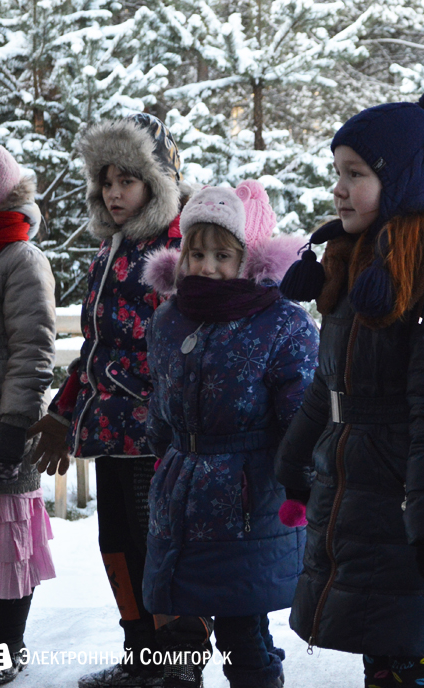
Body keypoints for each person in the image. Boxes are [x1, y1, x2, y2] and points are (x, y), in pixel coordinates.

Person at [274, 87, 424, 688]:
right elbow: (329, 383)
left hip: (403, 500)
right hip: (356, 489)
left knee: (411, 647)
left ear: (403, 182)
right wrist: (294, 463)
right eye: (337, 172)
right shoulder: (353, 260)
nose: (338, 188)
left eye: (356, 174)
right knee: (381, 644)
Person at [29, 113, 188, 688]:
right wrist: (63, 412)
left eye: (128, 180)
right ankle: (142, 659)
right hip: (111, 435)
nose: (114, 193)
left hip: (158, 438)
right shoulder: (110, 250)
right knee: (119, 548)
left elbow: (186, 346)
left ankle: (179, 667)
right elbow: (96, 347)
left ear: (158, 181)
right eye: (106, 180)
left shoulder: (177, 248)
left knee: (161, 552)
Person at [139, 180, 316, 688]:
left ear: (248, 259)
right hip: (184, 489)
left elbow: (301, 413)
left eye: (222, 254)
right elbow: (162, 401)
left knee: (240, 625)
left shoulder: (280, 323)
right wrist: (163, 456)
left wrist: (300, 484)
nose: (207, 266)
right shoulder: (171, 318)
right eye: (197, 252)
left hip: (248, 496)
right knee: (206, 617)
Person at [0, 141, 56, 685]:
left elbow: (34, 349)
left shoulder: (20, 258)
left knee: (7, 547)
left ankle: (7, 651)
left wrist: (15, 424)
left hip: (0, 420)